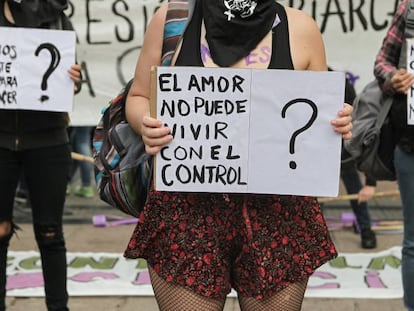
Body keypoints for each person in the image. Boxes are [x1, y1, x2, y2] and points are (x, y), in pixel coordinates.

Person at [124, 1, 353, 310]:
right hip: (187, 213)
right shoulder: (172, 19)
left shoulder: (301, 27)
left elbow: (318, 108)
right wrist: (145, 124)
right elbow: (139, 95)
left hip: (278, 216)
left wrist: (337, 120)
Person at [0, 1, 81, 310]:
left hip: (48, 139)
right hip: (1, 139)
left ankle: (58, 307)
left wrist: (74, 78)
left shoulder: (57, 18)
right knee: (0, 229)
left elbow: (71, 78)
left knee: (49, 232)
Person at [373, 1, 414, 310]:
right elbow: (383, 62)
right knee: (413, 241)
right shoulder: (410, 7)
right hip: (410, 145)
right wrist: (393, 78)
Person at [340, 74, 377, 249]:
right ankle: (314, 236)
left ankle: (366, 229)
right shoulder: (305, 78)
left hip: (342, 146)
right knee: (315, 199)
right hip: (314, 150)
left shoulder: (340, 80)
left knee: (355, 191)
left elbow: (355, 115)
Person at [67, 126, 94, 198]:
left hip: (81, 116)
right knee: (75, 139)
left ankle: (86, 185)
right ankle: (66, 181)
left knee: (82, 141)